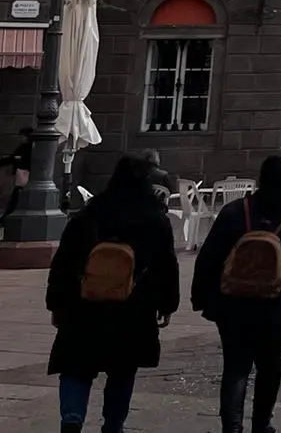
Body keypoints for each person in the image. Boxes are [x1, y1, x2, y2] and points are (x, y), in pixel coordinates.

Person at [46, 153, 180, 433]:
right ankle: (113, 424)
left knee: (76, 367)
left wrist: (57, 304)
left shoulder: (89, 214)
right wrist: (167, 305)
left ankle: (72, 418)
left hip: (84, 306)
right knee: (123, 370)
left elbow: (63, 263)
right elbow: (167, 266)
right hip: (133, 308)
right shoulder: (155, 219)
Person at [192, 154, 281, 433]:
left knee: (235, 367)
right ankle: (262, 423)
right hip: (278, 305)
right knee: (269, 366)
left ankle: (232, 426)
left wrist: (201, 296)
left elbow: (208, 258)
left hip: (233, 304)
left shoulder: (234, 212)